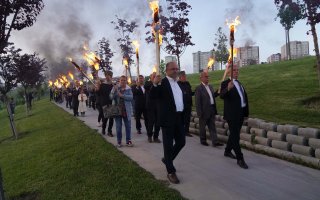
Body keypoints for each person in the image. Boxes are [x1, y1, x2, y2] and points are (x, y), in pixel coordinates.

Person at [150, 61, 186, 184]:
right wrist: (154, 84)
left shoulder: (178, 83)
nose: (175, 70)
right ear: (167, 71)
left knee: (181, 141)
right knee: (168, 145)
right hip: (167, 119)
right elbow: (152, 96)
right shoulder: (162, 83)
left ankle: (167, 159)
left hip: (178, 117)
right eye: (173, 69)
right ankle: (170, 171)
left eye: (177, 68)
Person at [220, 65, 249, 169]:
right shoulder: (225, 83)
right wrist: (228, 88)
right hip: (232, 115)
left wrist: (245, 114)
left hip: (240, 114)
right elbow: (221, 95)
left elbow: (243, 99)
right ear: (228, 73)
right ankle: (240, 158)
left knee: (233, 135)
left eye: (237, 70)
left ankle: (227, 151)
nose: (236, 72)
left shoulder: (239, 83)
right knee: (235, 137)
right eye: (234, 70)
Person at [195, 72, 224, 147]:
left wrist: (218, 91)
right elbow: (197, 102)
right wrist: (199, 113)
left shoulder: (210, 86)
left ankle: (215, 141)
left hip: (211, 109)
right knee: (202, 127)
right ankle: (203, 140)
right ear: (201, 78)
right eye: (205, 77)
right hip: (203, 111)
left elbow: (213, 96)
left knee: (212, 126)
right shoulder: (199, 88)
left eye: (208, 77)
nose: (207, 78)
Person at [110, 75, 134, 147]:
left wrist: (122, 96)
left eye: (124, 80)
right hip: (118, 110)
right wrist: (114, 91)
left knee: (128, 127)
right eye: (121, 80)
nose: (123, 81)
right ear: (119, 81)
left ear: (126, 81)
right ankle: (119, 142)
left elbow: (131, 98)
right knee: (118, 127)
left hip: (126, 110)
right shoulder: (116, 88)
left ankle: (128, 141)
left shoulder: (128, 89)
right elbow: (111, 97)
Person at [96, 71, 114, 136]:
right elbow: (98, 94)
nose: (107, 76)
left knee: (111, 118)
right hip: (104, 103)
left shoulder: (113, 85)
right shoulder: (102, 85)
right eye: (106, 75)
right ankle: (103, 129)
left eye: (109, 75)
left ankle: (109, 131)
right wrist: (97, 88)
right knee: (106, 117)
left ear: (111, 76)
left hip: (112, 103)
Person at [145, 73, 161, 143]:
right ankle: (149, 136)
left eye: (156, 77)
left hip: (158, 106)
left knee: (158, 123)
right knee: (151, 122)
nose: (155, 78)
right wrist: (154, 83)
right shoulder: (147, 83)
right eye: (154, 77)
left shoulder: (160, 84)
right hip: (150, 106)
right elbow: (150, 90)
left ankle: (156, 137)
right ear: (151, 77)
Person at [178, 71, 194, 137]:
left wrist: (195, 92)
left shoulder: (187, 83)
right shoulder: (177, 84)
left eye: (185, 76)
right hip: (181, 105)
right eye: (183, 76)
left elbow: (190, 92)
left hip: (188, 104)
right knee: (181, 119)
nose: (185, 78)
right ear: (180, 77)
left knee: (187, 119)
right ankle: (180, 131)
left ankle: (186, 131)